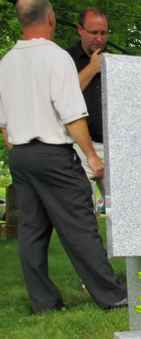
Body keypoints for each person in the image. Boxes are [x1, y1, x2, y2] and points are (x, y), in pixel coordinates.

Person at [0, 0, 128, 314]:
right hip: (53, 154)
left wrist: (16, 150)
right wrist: (91, 156)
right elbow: (72, 115)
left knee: (32, 229)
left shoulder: (6, 61)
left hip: (21, 154)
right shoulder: (56, 57)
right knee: (81, 224)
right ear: (52, 19)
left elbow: (4, 121)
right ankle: (113, 296)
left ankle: (44, 302)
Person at [66, 7, 109, 204]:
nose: (99, 38)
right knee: (83, 210)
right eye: (93, 32)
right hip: (80, 147)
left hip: (113, 146)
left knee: (125, 211)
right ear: (80, 30)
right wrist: (92, 69)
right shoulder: (66, 60)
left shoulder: (114, 60)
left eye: (103, 33)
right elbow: (63, 95)